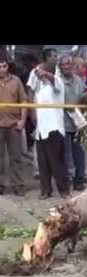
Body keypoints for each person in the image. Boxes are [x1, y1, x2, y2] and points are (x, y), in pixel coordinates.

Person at [27, 48, 69, 199]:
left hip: (54, 126)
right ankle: (46, 190)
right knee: (43, 162)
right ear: (45, 59)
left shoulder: (58, 77)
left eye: (56, 56)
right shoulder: (35, 74)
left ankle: (64, 190)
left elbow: (54, 82)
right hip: (41, 127)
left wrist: (45, 74)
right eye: (53, 57)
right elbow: (31, 91)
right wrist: (32, 112)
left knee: (57, 161)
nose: (56, 59)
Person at [59, 55, 87, 191]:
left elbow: (84, 95)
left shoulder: (78, 80)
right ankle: (67, 180)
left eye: (68, 64)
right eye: (63, 65)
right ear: (60, 67)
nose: (66, 67)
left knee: (80, 153)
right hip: (63, 123)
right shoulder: (58, 82)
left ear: (72, 66)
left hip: (78, 123)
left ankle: (79, 179)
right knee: (66, 155)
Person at [0, 56, 27, 196]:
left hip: (13, 125)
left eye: (3, 66)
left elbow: (23, 101)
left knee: (15, 158)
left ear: (7, 66)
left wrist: (22, 120)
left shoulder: (16, 81)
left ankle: (18, 185)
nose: (1, 69)